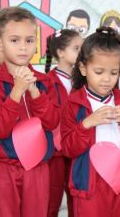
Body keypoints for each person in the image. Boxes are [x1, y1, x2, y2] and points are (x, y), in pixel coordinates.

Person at [0, 7, 60, 216]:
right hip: (3, 167)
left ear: (37, 43)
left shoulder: (44, 82)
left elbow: (52, 122)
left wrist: (34, 91)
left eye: (29, 40)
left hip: (37, 168)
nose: (23, 47)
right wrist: (16, 91)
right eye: (14, 40)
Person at [60, 27, 120, 217]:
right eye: (99, 71)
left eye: (113, 73)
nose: (106, 79)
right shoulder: (73, 104)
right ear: (83, 69)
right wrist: (87, 123)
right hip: (89, 184)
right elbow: (68, 149)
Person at [45, 28, 83, 217]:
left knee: (77, 198)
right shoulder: (47, 81)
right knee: (51, 200)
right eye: (77, 48)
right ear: (60, 52)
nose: (82, 53)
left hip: (77, 148)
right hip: (55, 152)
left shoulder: (84, 81)